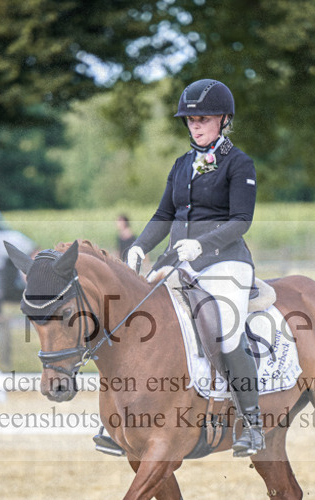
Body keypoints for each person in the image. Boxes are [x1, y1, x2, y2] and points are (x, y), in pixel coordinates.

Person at [126, 78, 264, 456]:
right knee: (139, 322)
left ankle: (252, 423)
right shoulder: (182, 164)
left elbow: (241, 220)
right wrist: (140, 246)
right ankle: (129, 419)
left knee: (228, 332)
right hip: (179, 264)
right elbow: (163, 214)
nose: (195, 126)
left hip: (225, 265)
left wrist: (201, 244)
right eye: (190, 120)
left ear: (223, 119)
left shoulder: (239, 163)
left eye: (202, 119)